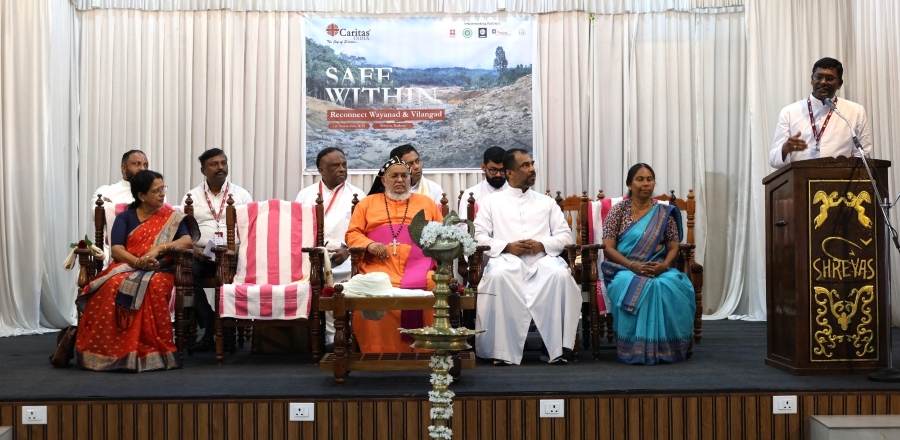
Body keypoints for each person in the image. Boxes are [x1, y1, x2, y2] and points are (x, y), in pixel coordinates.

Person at [75, 170, 199, 372]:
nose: (162, 194)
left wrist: (160, 249)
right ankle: (109, 350)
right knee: (111, 284)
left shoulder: (171, 217)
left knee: (153, 285)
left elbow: (186, 241)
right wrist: (138, 262)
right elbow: (117, 249)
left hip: (160, 269)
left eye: (163, 189)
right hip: (127, 266)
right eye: (156, 190)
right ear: (141, 195)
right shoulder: (125, 217)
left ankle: (150, 352)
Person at [473, 148, 581, 365]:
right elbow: (477, 236)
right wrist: (507, 247)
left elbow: (565, 235)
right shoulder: (491, 202)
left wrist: (542, 244)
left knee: (560, 275)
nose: (532, 169)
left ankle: (555, 348)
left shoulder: (546, 202)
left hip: (542, 260)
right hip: (506, 260)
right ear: (510, 173)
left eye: (532, 164)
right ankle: (501, 350)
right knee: (498, 276)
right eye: (525, 165)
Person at [600, 163, 695, 365]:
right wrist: (632, 266)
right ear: (629, 184)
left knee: (674, 285)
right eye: (640, 179)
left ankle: (668, 348)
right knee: (631, 284)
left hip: (658, 268)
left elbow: (673, 247)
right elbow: (608, 248)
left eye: (649, 179)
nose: (645, 184)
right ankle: (634, 348)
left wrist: (665, 266)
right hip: (624, 268)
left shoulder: (664, 213)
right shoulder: (618, 211)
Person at [347, 156, 444, 353]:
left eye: (404, 176)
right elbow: (352, 234)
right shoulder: (367, 204)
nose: (400, 180)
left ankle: (427, 351)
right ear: (383, 180)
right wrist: (369, 244)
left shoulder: (426, 203)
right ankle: (377, 351)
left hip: (418, 266)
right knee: (370, 291)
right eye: (394, 176)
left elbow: (441, 234)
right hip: (379, 267)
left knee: (434, 285)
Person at [181, 148, 253, 352]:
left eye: (223, 163)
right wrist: (193, 250)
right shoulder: (191, 196)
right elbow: (183, 230)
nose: (220, 167)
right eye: (214, 164)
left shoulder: (241, 195)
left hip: (233, 253)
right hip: (202, 253)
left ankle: (226, 331)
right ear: (203, 170)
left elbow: (251, 229)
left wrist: (237, 251)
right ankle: (210, 322)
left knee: (232, 280)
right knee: (185, 275)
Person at [295, 147, 364, 346]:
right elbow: (297, 229)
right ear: (321, 170)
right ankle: (319, 338)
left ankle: (341, 337)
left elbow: (362, 230)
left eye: (344, 164)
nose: (342, 169)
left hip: (345, 256)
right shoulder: (306, 195)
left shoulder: (357, 195)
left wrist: (347, 249)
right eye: (335, 166)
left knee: (344, 283)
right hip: (313, 256)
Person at [770, 57, 872, 169]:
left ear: (839, 84)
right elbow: (774, 160)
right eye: (818, 77)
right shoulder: (789, 112)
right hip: (801, 177)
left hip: (840, 177)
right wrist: (784, 149)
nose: (823, 82)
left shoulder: (855, 111)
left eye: (830, 78)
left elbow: (863, 155)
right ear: (812, 79)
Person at [368, 144, 446, 208]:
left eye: (417, 161)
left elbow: (440, 220)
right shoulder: (383, 193)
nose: (417, 166)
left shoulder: (434, 189)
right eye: (410, 164)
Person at [458, 146, 507, 222]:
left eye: (502, 170)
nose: (498, 175)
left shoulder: (516, 192)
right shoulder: (470, 194)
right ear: (483, 167)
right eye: (493, 170)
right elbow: (463, 225)